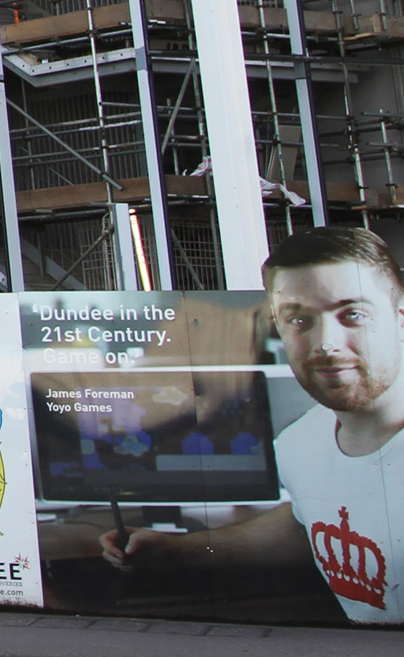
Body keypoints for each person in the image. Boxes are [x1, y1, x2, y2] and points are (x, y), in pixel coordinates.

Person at [104, 223, 404, 624]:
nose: (327, 344)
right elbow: (308, 522)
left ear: (400, 317)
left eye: (353, 314)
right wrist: (181, 549)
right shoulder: (300, 442)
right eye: (299, 320)